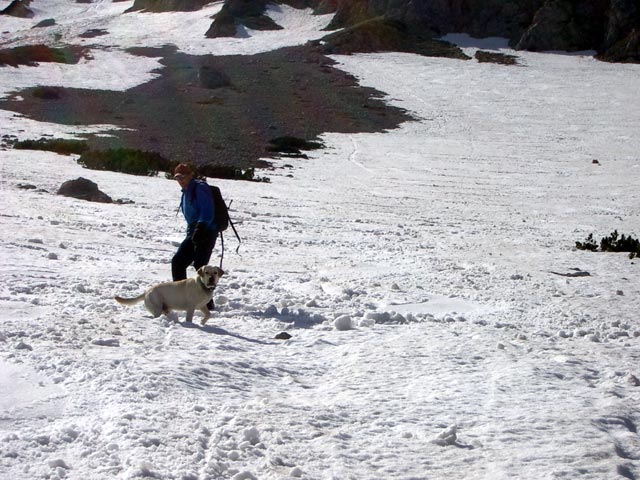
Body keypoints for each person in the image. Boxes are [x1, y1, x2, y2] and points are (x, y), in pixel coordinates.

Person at [171, 164, 218, 309]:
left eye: (183, 176)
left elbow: (207, 210)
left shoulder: (200, 188)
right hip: (195, 231)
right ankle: (184, 298)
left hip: (205, 232)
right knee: (180, 263)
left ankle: (207, 303)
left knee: (199, 267)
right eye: (177, 177)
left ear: (191, 175)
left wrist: (201, 227)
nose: (180, 180)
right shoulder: (187, 191)